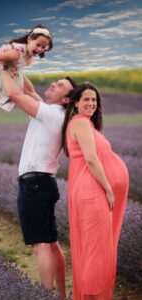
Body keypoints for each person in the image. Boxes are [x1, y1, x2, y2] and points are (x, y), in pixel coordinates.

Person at [0, 66, 77, 299]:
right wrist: (17, 69)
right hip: (42, 184)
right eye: (56, 81)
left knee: (41, 244)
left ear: (65, 99)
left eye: (60, 85)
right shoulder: (52, 111)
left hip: (35, 184)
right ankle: (61, 296)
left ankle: (46, 295)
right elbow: (28, 89)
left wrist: (2, 68)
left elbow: (14, 94)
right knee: (51, 243)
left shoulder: (52, 114)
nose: (54, 83)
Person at [62, 82, 129, 300]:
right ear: (75, 103)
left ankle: (93, 294)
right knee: (95, 248)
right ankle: (92, 295)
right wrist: (109, 189)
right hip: (92, 192)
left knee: (97, 246)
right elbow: (91, 159)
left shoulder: (86, 124)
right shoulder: (80, 123)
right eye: (86, 100)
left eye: (94, 100)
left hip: (92, 190)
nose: (91, 103)